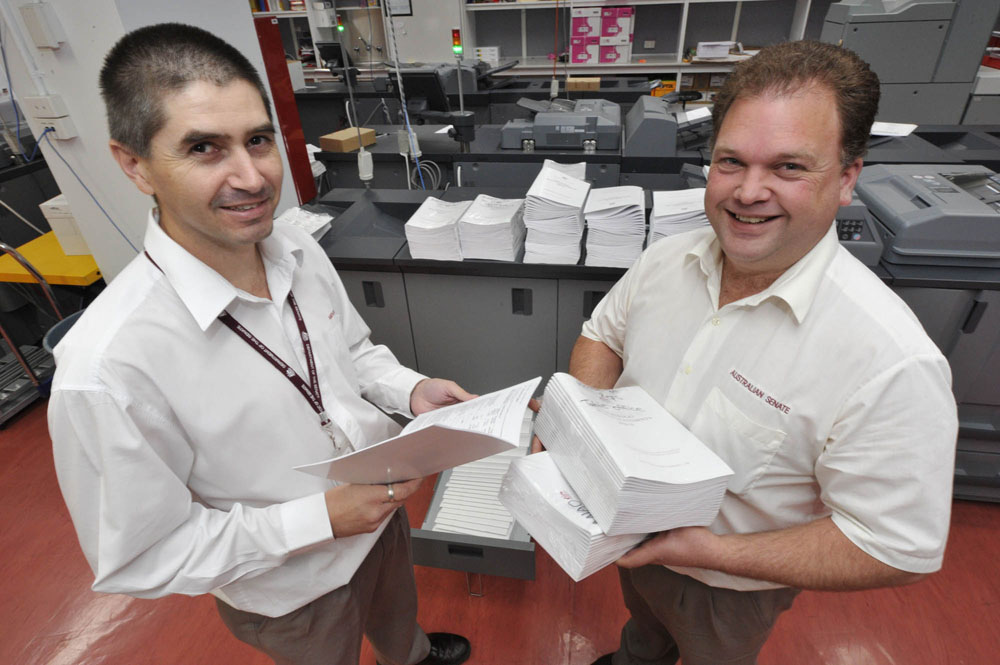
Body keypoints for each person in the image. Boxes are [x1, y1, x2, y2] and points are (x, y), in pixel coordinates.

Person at [49, 23, 472, 665]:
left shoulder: (297, 247)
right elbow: (142, 556)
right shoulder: (108, 367)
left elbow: (351, 353)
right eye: (204, 149)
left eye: (258, 140)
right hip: (291, 587)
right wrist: (321, 519)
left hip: (380, 516)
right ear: (134, 164)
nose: (252, 177)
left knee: (399, 625)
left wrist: (409, 390)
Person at [561, 41, 958, 665]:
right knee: (641, 636)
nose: (748, 192)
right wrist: (579, 431)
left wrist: (708, 552)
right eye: (731, 162)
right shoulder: (666, 259)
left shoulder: (889, 359)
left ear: (847, 178)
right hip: (625, 539)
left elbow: (893, 546)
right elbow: (601, 335)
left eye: (789, 167)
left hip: (729, 587)